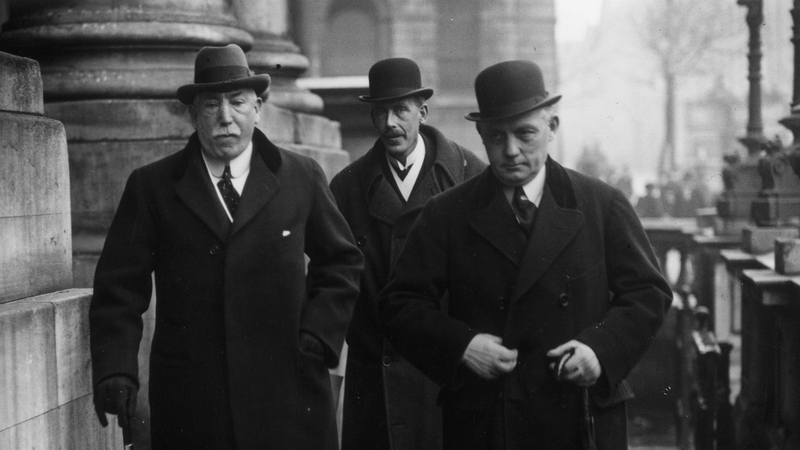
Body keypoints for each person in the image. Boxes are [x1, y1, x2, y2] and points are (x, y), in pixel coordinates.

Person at [379, 60, 672, 450]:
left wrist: (599, 351)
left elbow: (649, 293)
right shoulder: (447, 214)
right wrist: (462, 346)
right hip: (486, 421)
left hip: (581, 416)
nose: (511, 150)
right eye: (496, 137)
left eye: (525, 133)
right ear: (481, 135)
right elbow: (400, 305)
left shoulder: (600, 204)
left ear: (552, 128)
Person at [89, 44, 363, 450]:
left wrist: (318, 335)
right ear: (193, 113)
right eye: (211, 104)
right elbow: (118, 289)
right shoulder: (153, 187)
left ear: (257, 108)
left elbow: (342, 260)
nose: (225, 117)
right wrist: (116, 369)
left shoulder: (301, 177)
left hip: (288, 391)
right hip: (194, 402)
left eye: (237, 103)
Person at [330, 57, 485, 450]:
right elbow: (334, 281)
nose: (390, 123)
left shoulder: (470, 175)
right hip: (374, 381)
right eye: (379, 112)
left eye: (401, 110)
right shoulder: (347, 188)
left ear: (423, 111)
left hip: (448, 375)